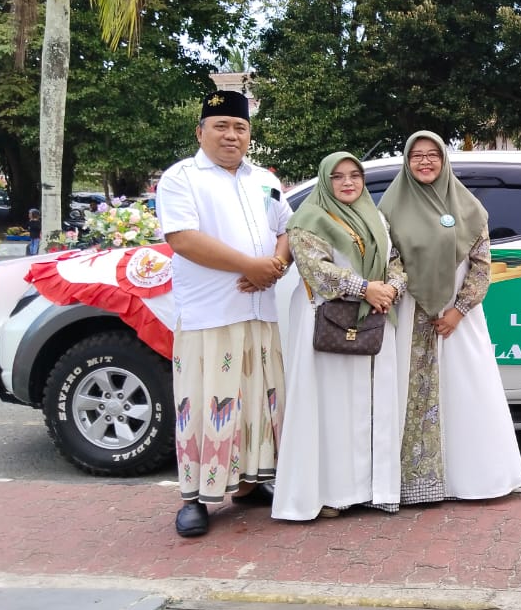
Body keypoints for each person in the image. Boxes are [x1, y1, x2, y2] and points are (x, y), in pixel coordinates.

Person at [155, 90, 292, 538]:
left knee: (259, 402)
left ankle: (252, 483)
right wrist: (250, 266)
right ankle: (195, 497)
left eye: (240, 127)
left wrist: (274, 267)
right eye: (221, 126)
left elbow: (288, 229)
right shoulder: (182, 178)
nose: (231, 135)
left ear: (249, 135)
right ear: (200, 131)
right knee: (205, 405)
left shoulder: (263, 180)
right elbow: (184, 239)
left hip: (259, 311)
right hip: (210, 317)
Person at [379, 131, 521, 504]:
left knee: (465, 394)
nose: (425, 161)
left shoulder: (469, 208)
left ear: (445, 160)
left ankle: (473, 480)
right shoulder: (389, 209)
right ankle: (412, 484)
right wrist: (407, 294)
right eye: (417, 156)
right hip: (409, 313)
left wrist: (457, 312)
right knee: (406, 397)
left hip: (459, 320)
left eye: (433, 155)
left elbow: (481, 268)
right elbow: (389, 261)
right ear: (407, 162)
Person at [273, 152, 407, 521]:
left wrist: (391, 289)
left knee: (370, 404)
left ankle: (371, 489)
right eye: (337, 176)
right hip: (327, 321)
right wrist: (366, 288)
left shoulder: (376, 217)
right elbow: (315, 269)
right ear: (324, 181)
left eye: (354, 175)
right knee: (331, 407)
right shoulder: (308, 219)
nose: (348, 183)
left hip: (375, 316)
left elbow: (397, 261)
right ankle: (330, 493)